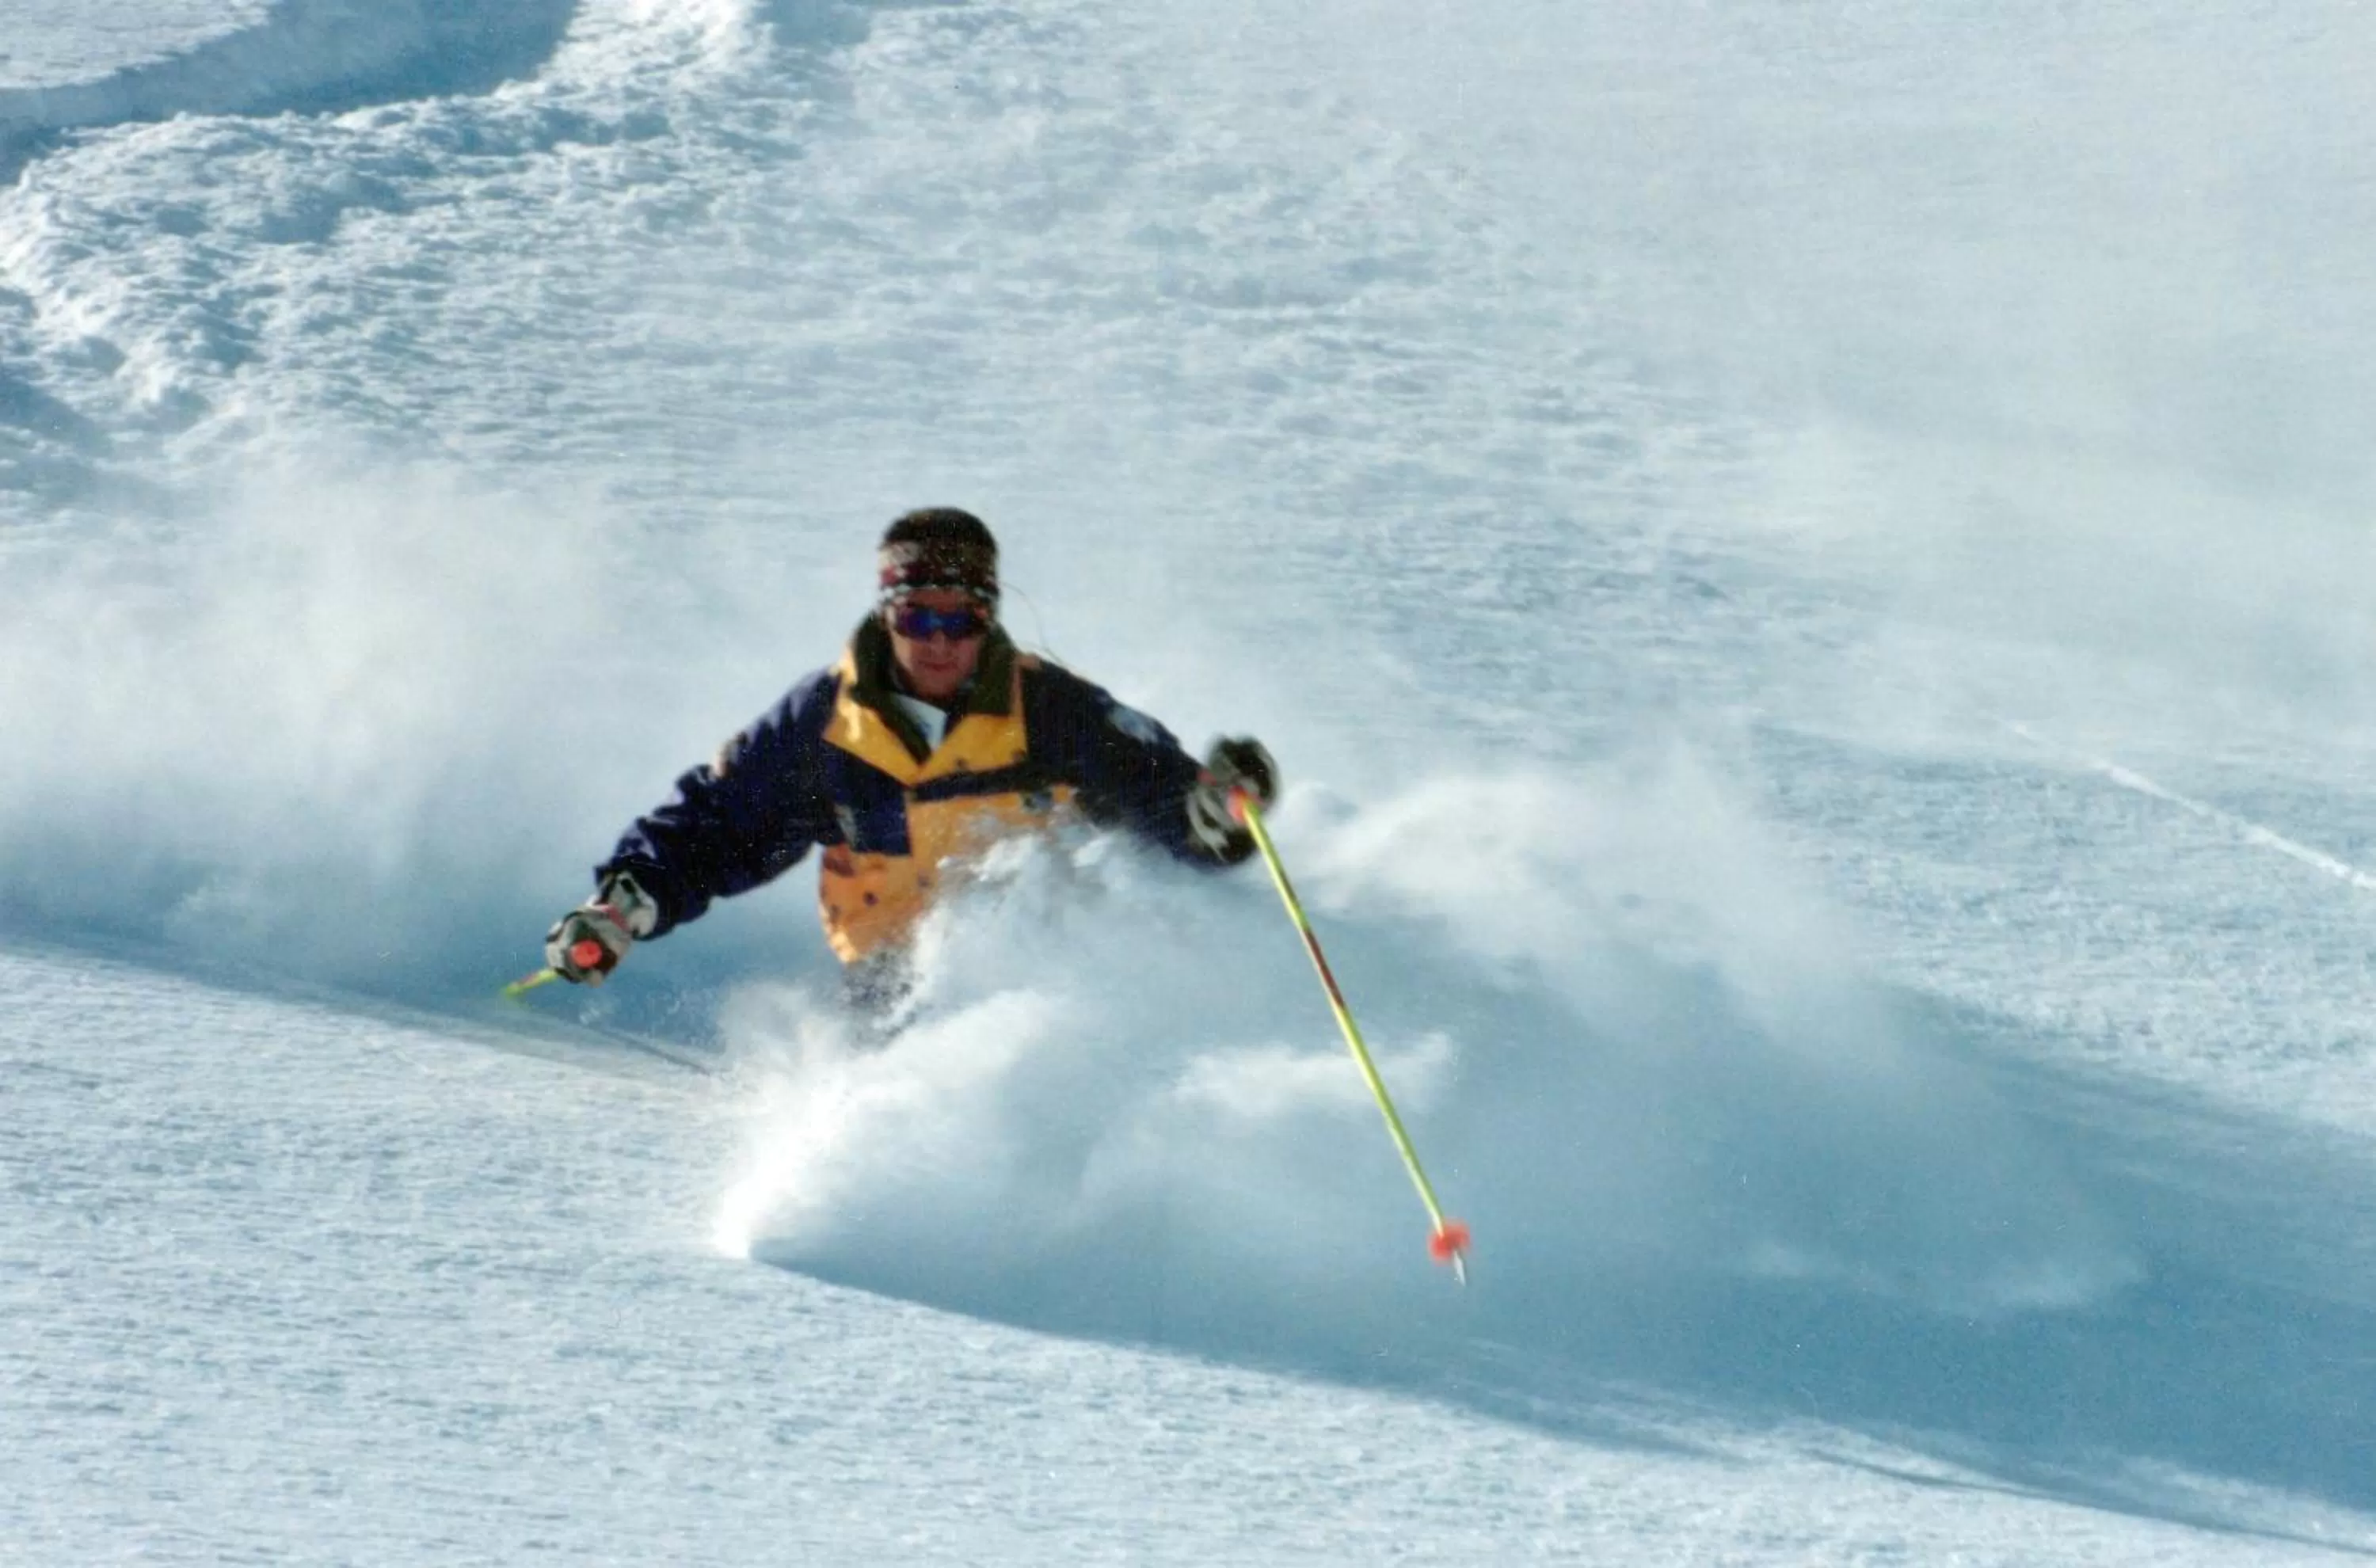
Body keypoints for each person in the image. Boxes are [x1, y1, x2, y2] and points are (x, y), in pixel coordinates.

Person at [543, 508, 1277, 1010]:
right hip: (887, 985)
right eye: (917, 615)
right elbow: (716, 825)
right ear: (887, 613)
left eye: (962, 619)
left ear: (990, 616)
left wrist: (1218, 810)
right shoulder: (825, 728)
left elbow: (1172, 808)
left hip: (1045, 976)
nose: (939, 640)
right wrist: (623, 904)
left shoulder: (1052, 712)